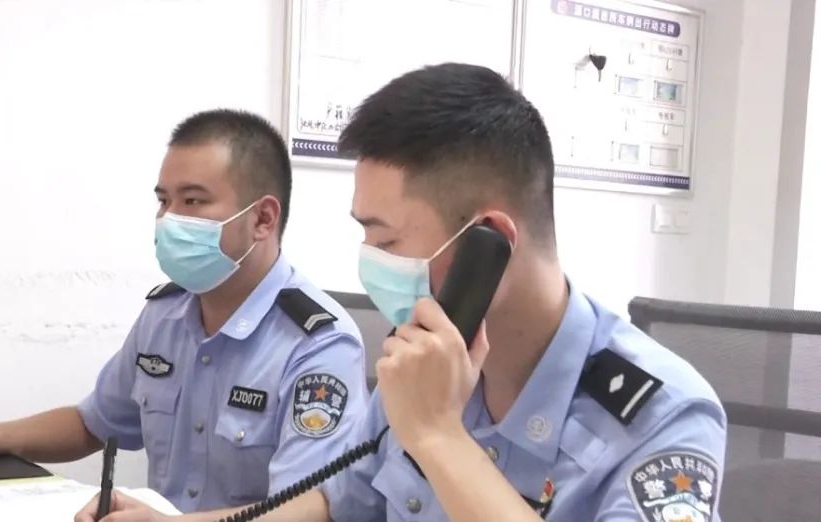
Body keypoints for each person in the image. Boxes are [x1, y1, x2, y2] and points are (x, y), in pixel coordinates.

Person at [76, 63, 726, 522]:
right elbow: (337, 501)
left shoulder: (662, 416)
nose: (371, 263)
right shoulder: (421, 355)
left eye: (385, 240)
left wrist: (440, 436)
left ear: (490, 243)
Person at [0, 109, 370, 513]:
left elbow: (309, 509)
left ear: (262, 218)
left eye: (192, 201)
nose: (169, 220)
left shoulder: (318, 345)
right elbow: (93, 423)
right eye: (164, 201)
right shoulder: (167, 314)